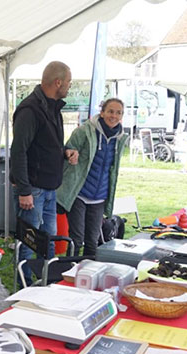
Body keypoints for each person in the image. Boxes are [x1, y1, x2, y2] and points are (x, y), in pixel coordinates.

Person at [10, 61, 79, 260]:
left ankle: (46, 281)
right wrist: (24, 191)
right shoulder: (30, 110)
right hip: (33, 189)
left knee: (49, 239)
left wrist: (65, 151)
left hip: (49, 188)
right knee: (29, 242)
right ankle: (25, 285)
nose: (69, 86)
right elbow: (18, 151)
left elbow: (45, 144)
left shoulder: (53, 107)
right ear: (58, 82)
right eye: (68, 82)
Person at [57, 98, 129, 256]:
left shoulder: (121, 138)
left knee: (93, 240)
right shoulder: (85, 130)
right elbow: (69, 147)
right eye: (110, 111)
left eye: (118, 113)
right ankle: (71, 272)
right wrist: (70, 153)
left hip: (99, 197)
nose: (114, 116)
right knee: (76, 238)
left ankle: (88, 274)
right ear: (102, 112)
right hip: (79, 193)